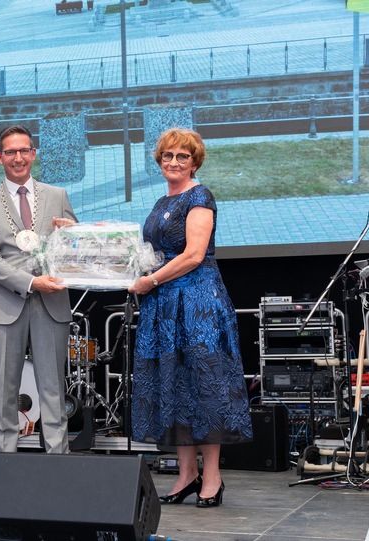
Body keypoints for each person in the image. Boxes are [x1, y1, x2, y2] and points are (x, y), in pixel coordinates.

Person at [128, 127, 252, 508]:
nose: (174, 162)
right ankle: (186, 476)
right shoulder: (159, 201)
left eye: (183, 156)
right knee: (173, 384)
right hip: (164, 307)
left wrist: (150, 279)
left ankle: (212, 478)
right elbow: (149, 251)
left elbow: (195, 254)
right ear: (159, 161)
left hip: (197, 304)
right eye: (168, 156)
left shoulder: (200, 196)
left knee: (203, 387)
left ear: (195, 161)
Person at [0, 125, 76, 454]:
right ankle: (5, 469)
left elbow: (74, 250)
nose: (18, 158)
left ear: (34, 154)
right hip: (6, 305)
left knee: (53, 391)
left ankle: (58, 470)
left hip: (52, 304)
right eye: (11, 152)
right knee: (4, 393)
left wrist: (72, 236)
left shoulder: (57, 196)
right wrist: (32, 282)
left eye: (24, 151)